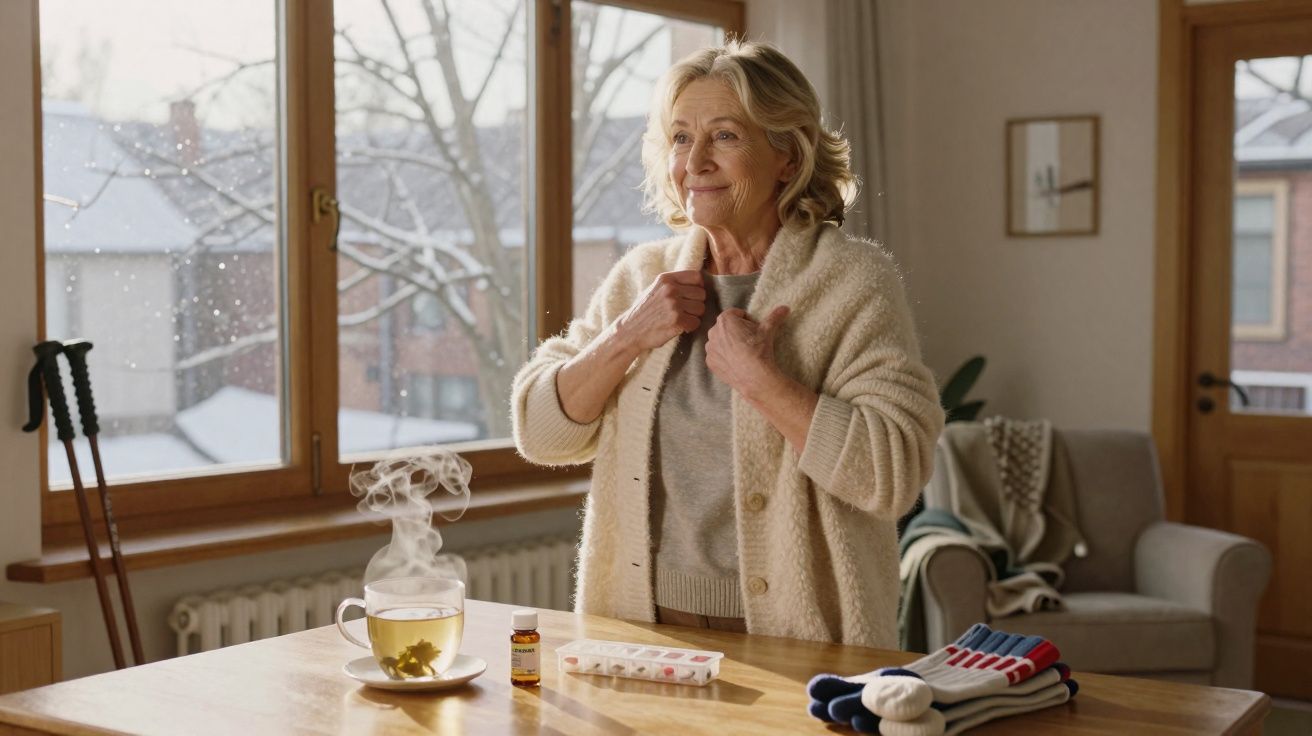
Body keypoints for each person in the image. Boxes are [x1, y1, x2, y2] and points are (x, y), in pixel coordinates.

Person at [510, 40, 944, 647]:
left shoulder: (852, 280)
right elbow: (541, 432)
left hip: (800, 630)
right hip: (640, 625)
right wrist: (626, 336)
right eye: (681, 138)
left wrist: (763, 382)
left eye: (726, 136)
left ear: (788, 157)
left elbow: (892, 474)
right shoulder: (642, 276)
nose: (695, 162)